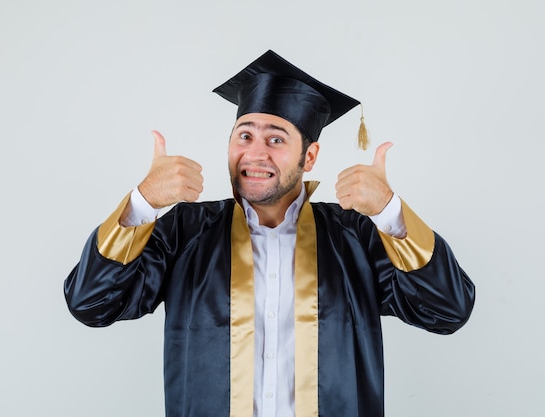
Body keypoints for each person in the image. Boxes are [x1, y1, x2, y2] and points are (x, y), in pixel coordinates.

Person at [64, 50, 475, 417]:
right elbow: (92, 304)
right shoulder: (185, 231)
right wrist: (143, 202)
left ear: (309, 156)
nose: (255, 153)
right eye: (245, 135)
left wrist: (389, 212)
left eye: (276, 139)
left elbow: (448, 311)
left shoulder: (357, 236)